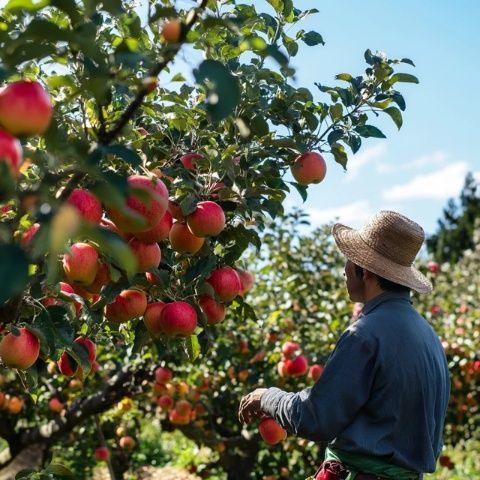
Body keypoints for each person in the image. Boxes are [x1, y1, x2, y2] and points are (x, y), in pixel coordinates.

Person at [238, 210, 450, 480]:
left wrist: (266, 397)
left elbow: (315, 418)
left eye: (350, 261)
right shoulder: (430, 338)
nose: (344, 270)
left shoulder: (364, 335)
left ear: (365, 272)